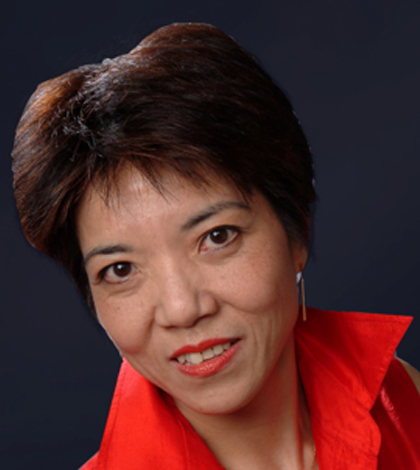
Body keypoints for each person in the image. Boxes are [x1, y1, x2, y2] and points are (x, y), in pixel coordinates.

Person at [12, 22, 420, 470]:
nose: (182, 309)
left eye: (216, 237)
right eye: (121, 269)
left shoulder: (401, 398)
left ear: (297, 232)